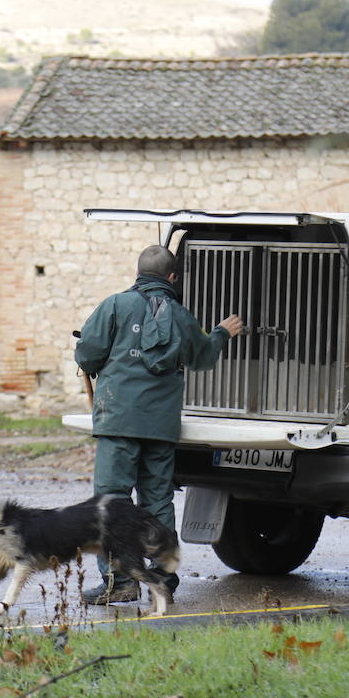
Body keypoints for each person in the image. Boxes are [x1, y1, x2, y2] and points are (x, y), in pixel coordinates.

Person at [74, 244, 245, 604]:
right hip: (160, 426)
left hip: (118, 419)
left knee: (112, 499)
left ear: (138, 273)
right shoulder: (181, 316)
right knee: (157, 500)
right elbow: (202, 357)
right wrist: (221, 333)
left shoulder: (115, 306)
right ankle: (162, 578)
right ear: (172, 277)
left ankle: (119, 582)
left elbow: (87, 353)